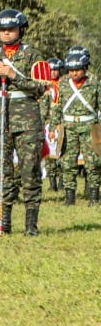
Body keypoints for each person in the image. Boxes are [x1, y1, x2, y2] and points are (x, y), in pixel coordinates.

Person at [0, 9, 49, 237]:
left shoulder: (34, 56)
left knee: (29, 171)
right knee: (2, 172)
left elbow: (41, 87)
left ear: (21, 30)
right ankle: (4, 223)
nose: (6, 34)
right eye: (2, 30)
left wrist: (13, 75)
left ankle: (31, 225)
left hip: (26, 121)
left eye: (10, 29)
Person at [54, 49, 99, 207]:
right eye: (71, 70)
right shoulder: (63, 83)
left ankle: (94, 196)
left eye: (78, 70)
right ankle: (69, 197)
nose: (74, 73)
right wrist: (54, 125)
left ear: (85, 68)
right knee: (67, 162)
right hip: (69, 127)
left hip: (90, 126)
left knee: (93, 162)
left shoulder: (94, 82)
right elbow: (58, 106)